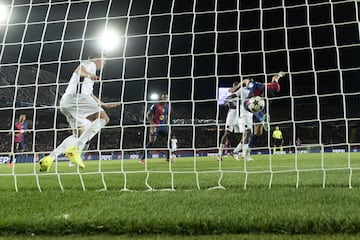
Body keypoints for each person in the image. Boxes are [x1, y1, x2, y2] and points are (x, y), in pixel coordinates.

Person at [39, 52, 119, 172]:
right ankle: (76, 150)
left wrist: (104, 104)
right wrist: (88, 74)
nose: (104, 64)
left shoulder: (91, 72)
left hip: (66, 102)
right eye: (103, 61)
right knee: (104, 119)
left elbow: (90, 94)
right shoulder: (90, 64)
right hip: (77, 98)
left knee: (79, 135)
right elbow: (79, 70)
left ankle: (49, 159)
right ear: (97, 58)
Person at [232, 71, 286, 148]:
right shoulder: (255, 85)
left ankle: (248, 151)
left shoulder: (275, 87)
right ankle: (263, 119)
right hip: (249, 102)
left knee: (258, 132)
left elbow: (275, 78)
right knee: (255, 105)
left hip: (263, 106)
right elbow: (245, 81)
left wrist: (280, 75)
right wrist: (235, 88)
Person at [140, 93, 170, 164]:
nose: (165, 99)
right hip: (155, 125)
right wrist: (152, 124)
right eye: (164, 97)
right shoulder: (155, 105)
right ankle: (142, 159)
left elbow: (167, 116)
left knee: (170, 140)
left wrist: (168, 125)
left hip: (163, 126)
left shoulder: (168, 106)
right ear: (161, 98)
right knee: (152, 142)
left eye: (166, 98)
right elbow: (148, 115)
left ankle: (168, 158)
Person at [226, 84, 253, 161]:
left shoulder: (253, 91)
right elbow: (231, 96)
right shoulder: (241, 90)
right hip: (243, 115)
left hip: (250, 114)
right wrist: (230, 98)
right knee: (247, 133)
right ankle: (245, 155)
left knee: (247, 135)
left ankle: (235, 152)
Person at [217, 82, 243, 161]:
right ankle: (219, 153)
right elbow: (230, 104)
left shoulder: (241, 94)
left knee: (246, 134)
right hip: (232, 114)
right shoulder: (231, 95)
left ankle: (235, 152)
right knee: (227, 133)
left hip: (240, 115)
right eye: (234, 87)